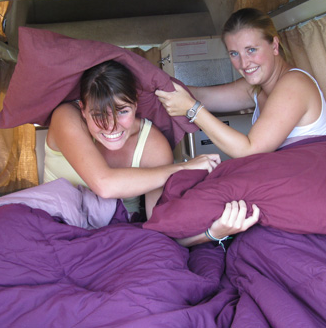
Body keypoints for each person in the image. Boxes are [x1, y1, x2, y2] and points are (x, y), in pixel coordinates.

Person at [44, 59, 258, 245]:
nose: (111, 127)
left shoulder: (152, 145)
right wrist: (181, 167)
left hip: (114, 237)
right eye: (99, 114)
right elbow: (105, 185)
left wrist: (212, 233)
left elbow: (162, 226)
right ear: (82, 109)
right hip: (53, 228)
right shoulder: (66, 117)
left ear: (136, 104)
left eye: (123, 111)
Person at [155, 8, 326, 159]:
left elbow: (250, 149)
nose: (243, 64)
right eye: (234, 54)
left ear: (274, 46)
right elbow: (203, 96)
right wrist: (154, 86)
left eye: (251, 50)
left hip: (322, 180)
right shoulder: (255, 87)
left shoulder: (294, 84)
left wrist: (192, 110)